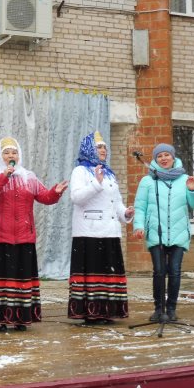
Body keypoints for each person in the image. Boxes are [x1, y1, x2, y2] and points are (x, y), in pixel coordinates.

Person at [0, 137, 68, 332]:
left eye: (14, 152)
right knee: (0, 280)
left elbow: (44, 197)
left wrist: (55, 192)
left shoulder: (29, 177)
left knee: (21, 280)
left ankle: (20, 318)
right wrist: (3, 176)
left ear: (19, 155)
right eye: (7, 152)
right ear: (0, 156)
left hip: (24, 238)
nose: (11, 156)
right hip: (0, 238)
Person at [133, 142, 194, 322]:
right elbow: (140, 207)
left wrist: (193, 190)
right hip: (156, 233)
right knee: (159, 271)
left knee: (174, 271)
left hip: (179, 233)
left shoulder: (185, 179)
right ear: (155, 159)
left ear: (173, 157)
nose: (163, 158)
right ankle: (159, 309)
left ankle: (171, 309)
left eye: (167, 155)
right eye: (159, 156)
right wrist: (139, 226)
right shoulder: (148, 180)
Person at [67, 132, 134, 324]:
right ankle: (90, 312)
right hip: (89, 231)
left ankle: (107, 311)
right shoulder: (80, 171)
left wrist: (125, 213)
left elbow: (116, 202)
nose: (103, 150)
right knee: (93, 273)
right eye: (99, 147)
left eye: (104, 147)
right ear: (89, 149)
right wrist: (96, 183)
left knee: (108, 274)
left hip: (110, 232)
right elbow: (77, 197)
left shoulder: (109, 172)